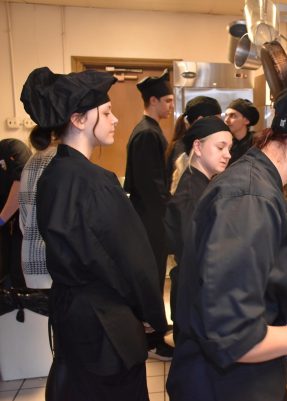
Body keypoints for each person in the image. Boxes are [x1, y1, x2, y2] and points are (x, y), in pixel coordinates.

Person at [167, 87, 287, 401]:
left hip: (238, 376)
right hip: (222, 387)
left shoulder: (258, 182)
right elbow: (234, 334)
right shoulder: (250, 198)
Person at [20, 67, 168, 401]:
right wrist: (150, 314)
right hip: (107, 323)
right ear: (79, 120)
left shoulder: (53, 174)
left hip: (71, 313)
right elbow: (133, 261)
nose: (115, 119)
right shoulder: (95, 182)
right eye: (106, 112)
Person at [164, 116, 232, 343]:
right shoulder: (193, 191)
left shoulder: (201, 182)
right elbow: (196, 250)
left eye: (229, 148)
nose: (228, 154)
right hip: (194, 295)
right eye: (220, 147)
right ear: (198, 147)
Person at [124, 68, 174, 360]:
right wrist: (168, 215)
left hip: (152, 216)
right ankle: (152, 339)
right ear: (153, 100)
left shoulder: (150, 130)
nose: (170, 106)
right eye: (167, 100)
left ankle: (154, 329)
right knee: (150, 277)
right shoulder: (145, 133)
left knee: (154, 276)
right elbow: (150, 185)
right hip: (150, 218)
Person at [18, 130, 56, 289]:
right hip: (55, 262)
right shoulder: (60, 159)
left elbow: (23, 219)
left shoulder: (31, 161)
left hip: (30, 258)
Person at [166, 96, 222, 192]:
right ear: (200, 119)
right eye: (216, 120)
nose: (220, 125)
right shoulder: (184, 147)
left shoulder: (191, 144)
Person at [0, 138, 31, 288]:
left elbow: (22, 186)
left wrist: (0, 220)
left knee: (20, 276)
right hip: (5, 230)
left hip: (24, 226)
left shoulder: (12, 148)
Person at [223, 98, 260, 164]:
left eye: (233, 116)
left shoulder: (257, 142)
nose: (226, 120)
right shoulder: (223, 142)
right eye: (226, 115)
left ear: (246, 120)